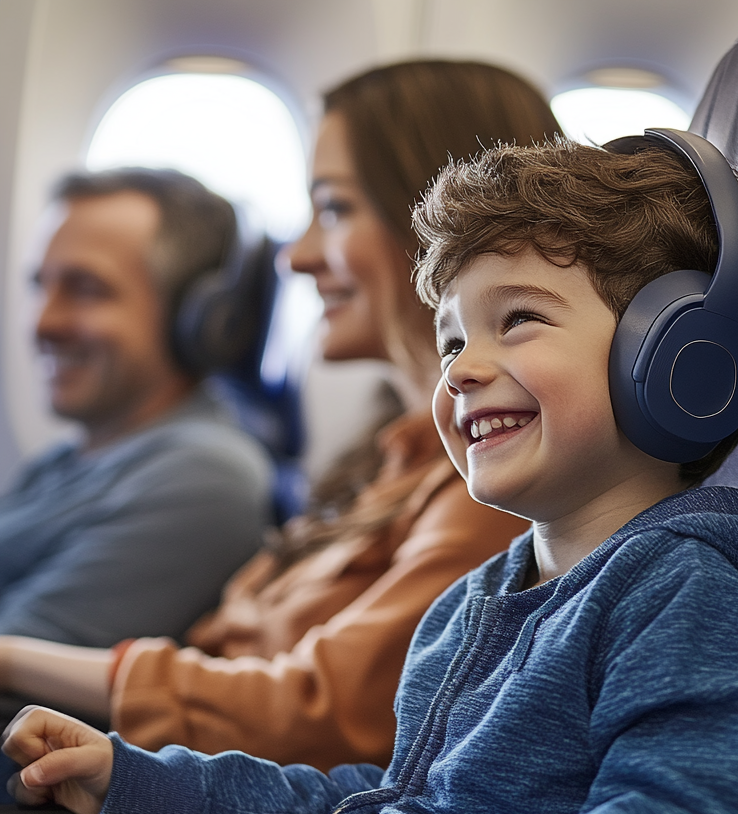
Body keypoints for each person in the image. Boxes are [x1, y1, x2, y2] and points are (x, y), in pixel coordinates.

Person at [0, 135, 738, 814]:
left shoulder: (680, 591)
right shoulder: (479, 600)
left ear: (676, 358)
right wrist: (138, 778)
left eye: (519, 320)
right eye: (451, 338)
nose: (461, 370)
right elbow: (378, 807)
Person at [0, 61, 559, 770]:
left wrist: (12, 659)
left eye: (334, 210)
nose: (295, 257)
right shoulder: (387, 464)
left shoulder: (497, 487)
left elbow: (327, 712)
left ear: (453, 227)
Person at [0, 169, 272, 653]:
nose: (44, 321)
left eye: (85, 289)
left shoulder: (203, 477)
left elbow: (14, 686)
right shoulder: (69, 460)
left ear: (198, 318)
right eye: (40, 285)